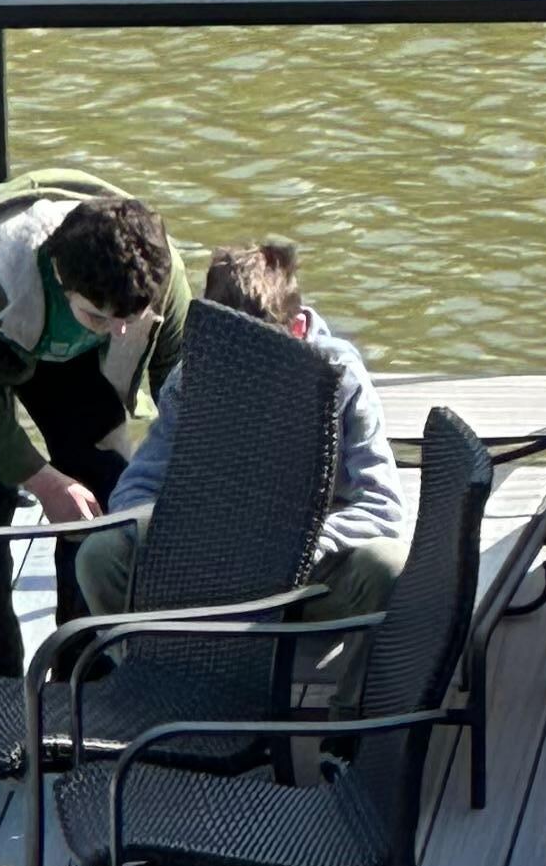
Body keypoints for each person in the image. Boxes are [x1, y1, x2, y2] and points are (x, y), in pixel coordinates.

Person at [0, 177, 193, 677]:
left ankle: (84, 674)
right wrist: (42, 479)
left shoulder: (164, 285)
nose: (122, 332)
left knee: (106, 494)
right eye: (100, 317)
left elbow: (184, 393)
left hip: (71, 353)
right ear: (60, 276)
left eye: (132, 320)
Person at [76, 243, 410, 649]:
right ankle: (151, 673)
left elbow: (382, 506)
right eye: (230, 346)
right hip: (211, 563)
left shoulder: (343, 379)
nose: (243, 366)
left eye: (264, 349)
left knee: (388, 567)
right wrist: (187, 533)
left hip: (305, 576)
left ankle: (348, 701)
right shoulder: (194, 378)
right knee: (100, 555)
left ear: (298, 329)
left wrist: (300, 545)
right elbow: (135, 489)